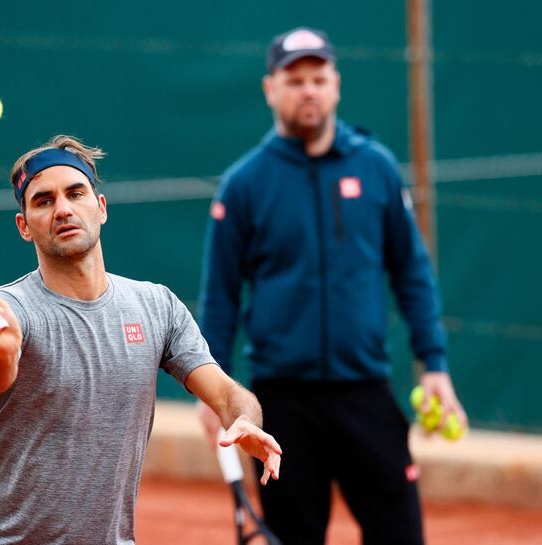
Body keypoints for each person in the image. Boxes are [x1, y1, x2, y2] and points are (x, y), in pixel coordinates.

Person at [196, 27, 468, 545]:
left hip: (366, 395)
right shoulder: (244, 184)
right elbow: (221, 297)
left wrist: (434, 365)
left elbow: (412, 272)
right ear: (269, 88)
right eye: (294, 79)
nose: (308, 90)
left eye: (318, 78)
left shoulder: (378, 169)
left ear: (336, 85)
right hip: (282, 406)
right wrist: (215, 392)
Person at [0, 135, 282, 545]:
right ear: (24, 226)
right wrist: (3, 352)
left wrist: (246, 419)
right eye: (43, 201)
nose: (63, 209)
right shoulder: (5, 310)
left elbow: (225, 393)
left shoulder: (156, 306)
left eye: (76, 193)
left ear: (101, 207)